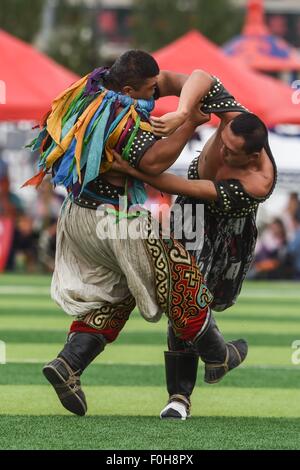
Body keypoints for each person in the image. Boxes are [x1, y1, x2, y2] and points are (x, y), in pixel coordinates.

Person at [24, 51, 247, 417]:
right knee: (180, 273)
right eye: (150, 89)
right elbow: (155, 162)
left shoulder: (91, 90)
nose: (155, 92)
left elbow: (194, 75)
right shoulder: (123, 116)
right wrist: (189, 121)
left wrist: (181, 106)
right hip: (115, 220)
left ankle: (69, 364)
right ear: (129, 87)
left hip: (79, 216)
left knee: (117, 293)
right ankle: (217, 354)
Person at [112, 75, 277, 419]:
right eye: (222, 143)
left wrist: (132, 170)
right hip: (190, 212)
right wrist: (183, 111)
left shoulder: (259, 183)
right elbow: (203, 76)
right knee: (183, 295)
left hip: (230, 229)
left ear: (253, 156)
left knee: (217, 300)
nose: (222, 151)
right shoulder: (234, 115)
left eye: (232, 153)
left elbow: (174, 183)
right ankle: (180, 397)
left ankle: (218, 353)